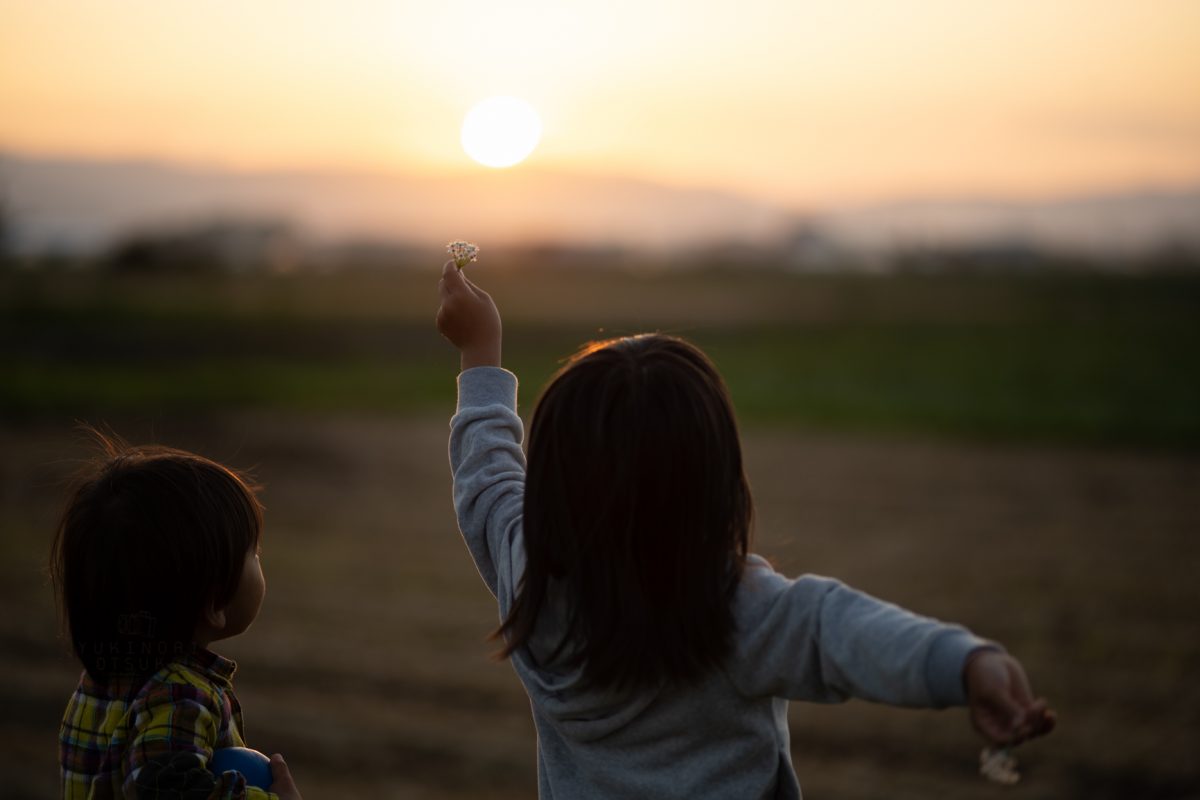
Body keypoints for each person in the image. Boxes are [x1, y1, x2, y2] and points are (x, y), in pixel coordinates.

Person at [436, 260, 1055, 798]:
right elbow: (835, 630)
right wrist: (965, 663)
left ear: (553, 481)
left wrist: (480, 351)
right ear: (714, 486)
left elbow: (487, 477)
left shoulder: (529, 576)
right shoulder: (731, 614)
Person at [50, 432, 303, 800]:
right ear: (215, 602)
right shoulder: (179, 696)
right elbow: (165, 790)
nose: (261, 562)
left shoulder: (102, 683)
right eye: (256, 553)